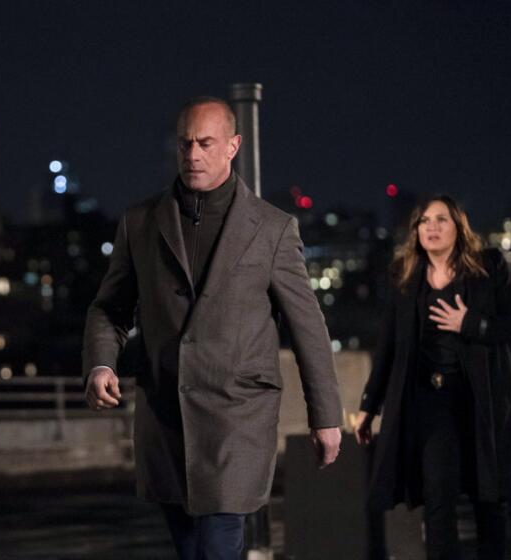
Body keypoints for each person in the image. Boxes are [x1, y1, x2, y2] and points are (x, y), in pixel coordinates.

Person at [82, 96, 343, 560]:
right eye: (185, 144)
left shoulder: (273, 228)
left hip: (237, 415)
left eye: (205, 143)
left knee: (219, 544)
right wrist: (102, 363)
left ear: (233, 146)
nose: (193, 154)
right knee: (191, 549)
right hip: (166, 414)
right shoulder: (141, 222)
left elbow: (307, 326)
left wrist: (325, 416)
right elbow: (109, 307)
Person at [354, 195, 511, 559]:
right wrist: (368, 407)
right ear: (415, 230)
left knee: (488, 501)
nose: (432, 227)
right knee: (437, 498)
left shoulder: (488, 267)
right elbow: (387, 347)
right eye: (424, 221)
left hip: (481, 401)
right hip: (430, 403)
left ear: (459, 227)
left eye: (441, 219)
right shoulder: (404, 276)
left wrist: (471, 323)